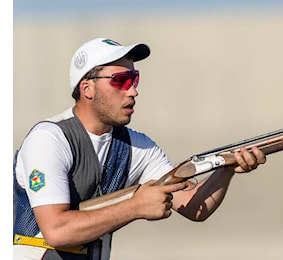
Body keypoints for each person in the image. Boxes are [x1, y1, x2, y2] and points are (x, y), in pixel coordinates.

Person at [13, 37, 266, 260]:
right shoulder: (49, 139)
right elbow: (57, 231)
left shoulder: (137, 146)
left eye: (134, 79)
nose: (134, 91)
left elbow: (192, 206)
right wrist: (135, 207)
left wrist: (227, 168)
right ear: (87, 88)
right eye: (121, 81)